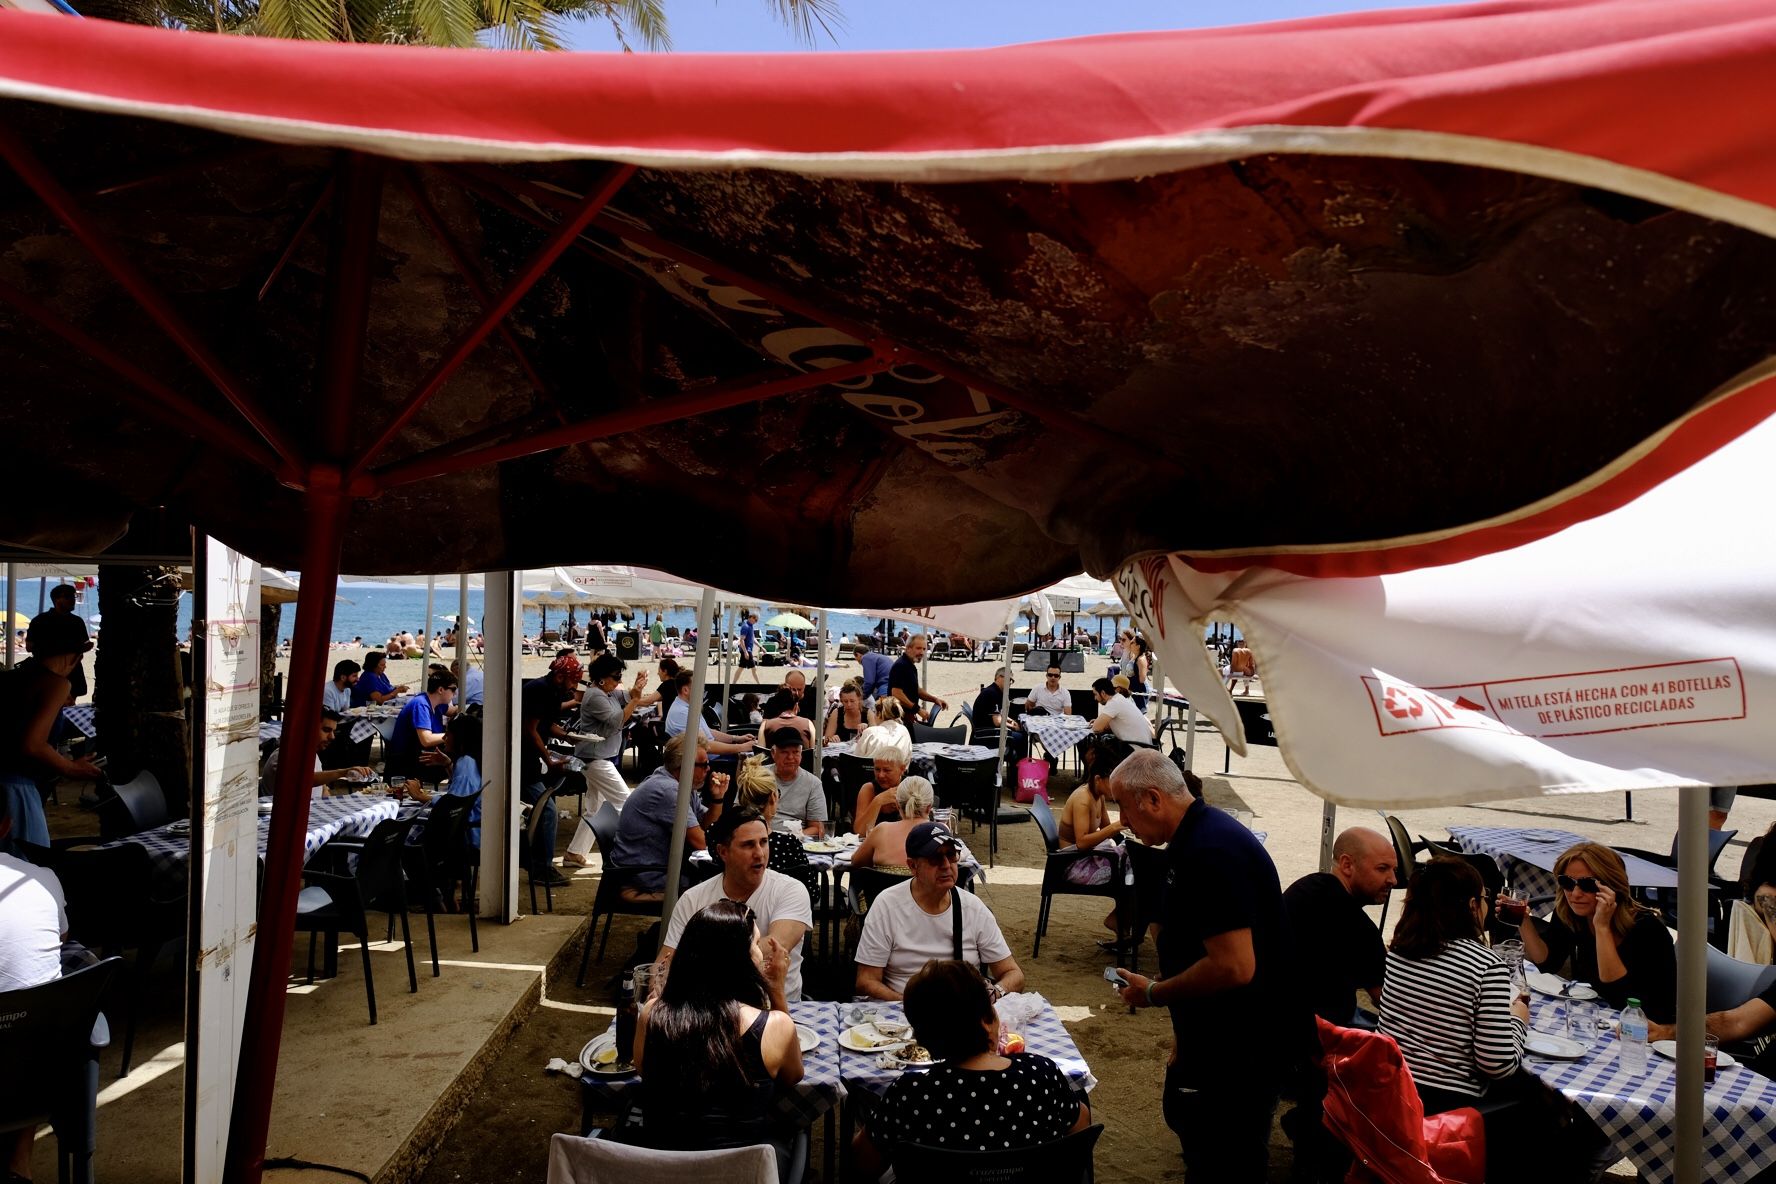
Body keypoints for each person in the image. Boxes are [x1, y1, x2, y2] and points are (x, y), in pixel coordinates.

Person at [1107, 751, 1303, 1181]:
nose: (1121, 820)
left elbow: (1234, 966)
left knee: (1226, 1161)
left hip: (1240, 1052)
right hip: (1219, 1041)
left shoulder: (1210, 848)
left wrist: (1156, 993)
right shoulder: (1192, 837)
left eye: (1123, 806)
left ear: (1153, 799)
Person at [1379, 858, 1599, 1181]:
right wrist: (1518, 1019)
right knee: (1555, 1116)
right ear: (1471, 905)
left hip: (1399, 1097)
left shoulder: (1400, 951)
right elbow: (1498, 1064)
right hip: (1454, 1110)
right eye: (1483, 899)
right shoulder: (1484, 965)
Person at [851, 960, 1090, 1177]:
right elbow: (1080, 1129)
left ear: (922, 1040)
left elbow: (863, 1164)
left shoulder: (910, 1094)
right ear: (987, 1021)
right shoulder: (1041, 1074)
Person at [633, 898, 802, 1173]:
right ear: (741, 962)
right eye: (755, 945)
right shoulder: (774, 1026)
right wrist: (777, 991)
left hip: (665, 1172)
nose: (761, 953)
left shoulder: (652, 1015)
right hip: (743, 1173)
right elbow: (792, 1076)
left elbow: (644, 1070)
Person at [855, 822, 1024, 1000]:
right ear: (913, 866)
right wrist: (911, 1005)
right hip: (903, 1012)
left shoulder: (973, 908)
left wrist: (995, 992)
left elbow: (1013, 974)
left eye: (951, 855)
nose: (945, 865)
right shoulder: (887, 906)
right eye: (935, 858)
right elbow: (866, 981)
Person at [1516, 841, 1677, 1022]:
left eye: (1587, 885)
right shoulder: (1573, 913)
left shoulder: (1648, 930)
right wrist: (1523, 920)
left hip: (1645, 1025)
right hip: (1601, 1015)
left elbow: (1618, 994)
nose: (1575, 894)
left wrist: (1602, 927)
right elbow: (1548, 962)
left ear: (1611, 886)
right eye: (1567, 882)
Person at [662, 808, 813, 1000]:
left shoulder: (791, 890)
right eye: (748, 845)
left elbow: (774, 948)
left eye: (764, 842)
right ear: (723, 852)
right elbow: (664, 964)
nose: (759, 853)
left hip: (775, 1009)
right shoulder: (692, 899)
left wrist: (694, 960)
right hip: (710, 1009)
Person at [0, 797, 71, 1180]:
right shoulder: (41, 878)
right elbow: (61, 937)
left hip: (24, 1059)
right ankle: (20, 1163)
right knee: (33, 1013)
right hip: (37, 1073)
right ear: (7, 827)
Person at [0, 613, 104, 851]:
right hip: (17, 791)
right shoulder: (56, 684)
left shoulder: (12, 677)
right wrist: (70, 768)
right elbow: (33, 744)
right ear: (75, 655)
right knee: (29, 863)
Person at [1282, 827, 1396, 1025]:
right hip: (1323, 1035)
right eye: (1382, 868)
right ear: (1347, 865)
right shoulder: (1358, 928)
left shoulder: (1304, 886)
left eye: (1394, 870)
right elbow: (1389, 1003)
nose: (1393, 880)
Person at [611, 734, 718, 902]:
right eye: (703, 764)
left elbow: (707, 825)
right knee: (717, 886)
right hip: (644, 873)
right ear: (683, 767)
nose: (708, 769)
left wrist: (717, 799)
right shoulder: (668, 791)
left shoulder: (679, 784)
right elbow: (702, 842)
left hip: (655, 864)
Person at [518, 654, 580, 889]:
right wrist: (548, 758)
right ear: (561, 676)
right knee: (548, 812)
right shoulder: (539, 689)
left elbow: (547, 726)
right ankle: (542, 867)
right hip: (523, 760)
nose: (575, 685)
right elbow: (530, 729)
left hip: (532, 759)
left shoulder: (553, 691)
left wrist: (570, 737)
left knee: (543, 810)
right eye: (573, 680)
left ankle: (536, 863)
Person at [1059, 737, 1130, 938]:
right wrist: (1117, 826)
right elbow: (1081, 843)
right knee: (1130, 873)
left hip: (1088, 858)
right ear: (1098, 779)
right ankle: (1119, 920)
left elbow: (1108, 829)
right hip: (1073, 864)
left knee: (1136, 863)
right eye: (1113, 781)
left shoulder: (1098, 796)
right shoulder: (1083, 799)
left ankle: (1122, 919)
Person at [573, 652, 658, 812]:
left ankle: (583, 838)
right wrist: (635, 700)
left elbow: (629, 695)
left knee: (594, 812)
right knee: (626, 803)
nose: (619, 681)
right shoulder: (595, 696)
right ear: (602, 678)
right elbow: (616, 721)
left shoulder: (608, 692)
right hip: (595, 759)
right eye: (616, 677)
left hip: (598, 756)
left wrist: (637, 686)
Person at [398, 714, 484, 857]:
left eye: (448, 734)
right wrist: (448, 764)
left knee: (406, 824)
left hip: (466, 836)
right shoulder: (473, 758)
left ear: (460, 738)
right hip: (472, 829)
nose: (444, 738)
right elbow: (461, 792)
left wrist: (419, 796)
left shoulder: (466, 764)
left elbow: (452, 807)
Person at [730, 756, 812, 880]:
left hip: (731, 898)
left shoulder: (725, 840)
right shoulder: (788, 844)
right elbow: (812, 892)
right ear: (774, 797)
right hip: (780, 899)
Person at [261, 709, 374, 796]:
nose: (332, 737)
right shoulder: (284, 755)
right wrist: (343, 772)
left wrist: (325, 790)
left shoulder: (312, 754)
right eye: (326, 730)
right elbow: (303, 779)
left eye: (333, 731)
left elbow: (321, 788)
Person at [850, 775, 935, 875]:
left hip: (883, 889)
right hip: (925, 890)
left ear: (898, 805)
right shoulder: (939, 831)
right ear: (929, 808)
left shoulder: (882, 830)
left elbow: (856, 862)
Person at [384, 668, 455, 780]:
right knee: (458, 759)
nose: (455, 693)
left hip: (419, 756)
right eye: (453, 689)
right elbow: (426, 740)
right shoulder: (421, 704)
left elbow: (454, 711)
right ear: (441, 690)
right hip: (407, 763)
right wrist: (451, 736)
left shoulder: (436, 702)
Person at [663, 670, 753, 755]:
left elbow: (708, 731)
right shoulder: (682, 713)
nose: (702, 690)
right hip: (709, 762)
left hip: (711, 756)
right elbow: (705, 746)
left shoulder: (687, 707)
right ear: (685, 690)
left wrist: (736, 739)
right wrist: (742, 747)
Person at [28, 583, 88, 701]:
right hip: (54, 671)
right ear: (57, 599)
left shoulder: (39, 620)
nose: (73, 600)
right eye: (68, 596)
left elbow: (30, 646)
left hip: (57, 671)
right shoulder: (76, 622)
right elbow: (29, 647)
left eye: (73, 596)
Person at [761, 727, 825, 837]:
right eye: (784, 752)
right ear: (773, 753)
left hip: (797, 840)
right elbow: (740, 815)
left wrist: (788, 839)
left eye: (796, 752)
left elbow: (817, 828)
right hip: (760, 836)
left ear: (801, 754)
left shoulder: (813, 783)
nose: (790, 757)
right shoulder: (758, 777)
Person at [889, 633, 946, 724]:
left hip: (907, 717)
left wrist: (934, 699)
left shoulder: (910, 665)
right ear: (908, 648)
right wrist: (918, 709)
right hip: (899, 718)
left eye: (924, 649)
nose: (922, 652)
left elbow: (916, 690)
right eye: (918, 648)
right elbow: (896, 694)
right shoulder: (901, 666)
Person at [970, 669, 1026, 760]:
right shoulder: (992, 693)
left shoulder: (994, 691)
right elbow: (997, 722)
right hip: (985, 733)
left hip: (984, 730)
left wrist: (1011, 721)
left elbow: (999, 714)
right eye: (1009, 679)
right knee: (1021, 737)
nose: (1010, 683)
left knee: (1019, 735)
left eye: (1012, 681)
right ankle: (1017, 770)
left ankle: (1016, 768)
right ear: (999, 677)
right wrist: (1013, 727)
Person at [852, 750, 908, 835]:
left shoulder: (911, 787)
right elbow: (860, 832)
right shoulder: (869, 789)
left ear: (902, 769)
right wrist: (878, 801)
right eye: (877, 769)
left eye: (887, 770)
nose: (881, 775)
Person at [1090, 676, 1153, 743]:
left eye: (1095, 694)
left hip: (1136, 748)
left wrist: (1098, 723)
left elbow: (1096, 728)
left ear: (1103, 693)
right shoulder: (1119, 698)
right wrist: (1100, 721)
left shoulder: (1113, 703)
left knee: (1094, 747)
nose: (1095, 698)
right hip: (1142, 745)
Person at [858, 635, 893, 702]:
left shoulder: (865, 658)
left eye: (857, 659)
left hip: (886, 684)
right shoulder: (876, 656)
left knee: (882, 706)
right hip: (895, 681)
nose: (859, 662)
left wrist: (862, 697)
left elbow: (869, 681)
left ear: (858, 655)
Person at [1125, 635, 1151, 711]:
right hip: (1134, 689)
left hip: (1140, 690)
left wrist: (1128, 681)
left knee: (1139, 714)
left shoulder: (1141, 659)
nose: (1130, 643)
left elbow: (1142, 679)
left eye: (1132, 642)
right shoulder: (1134, 656)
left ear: (1138, 646)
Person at [737, 611, 760, 682]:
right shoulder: (745, 626)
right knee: (753, 669)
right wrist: (745, 652)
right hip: (746, 650)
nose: (756, 622)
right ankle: (759, 684)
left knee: (741, 668)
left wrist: (761, 646)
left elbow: (753, 639)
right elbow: (741, 640)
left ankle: (733, 683)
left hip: (747, 650)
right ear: (751, 617)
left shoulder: (751, 626)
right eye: (755, 620)